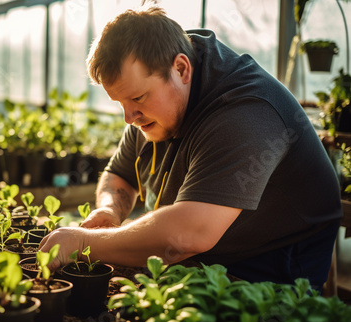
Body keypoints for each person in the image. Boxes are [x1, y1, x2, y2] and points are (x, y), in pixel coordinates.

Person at [39, 6, 342, 292]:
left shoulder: (246, 112)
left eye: (138, 98)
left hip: (269, 271)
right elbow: (119, 173)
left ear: (181, 68)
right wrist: (110, 208)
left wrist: (83, 243)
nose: (128, 117)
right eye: (120, 103)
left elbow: (191, 233)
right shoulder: (159, 98)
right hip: (198, 258)